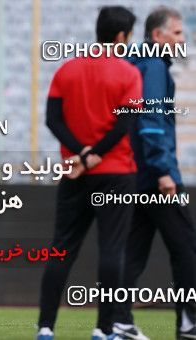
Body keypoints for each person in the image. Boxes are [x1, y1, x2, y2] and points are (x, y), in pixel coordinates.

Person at [36, 6, 142, 340]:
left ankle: (45, 327)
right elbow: (125, 124)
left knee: (61, 249)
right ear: (122, 36)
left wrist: (80, 154)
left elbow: (53, 120)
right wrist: (94, 154)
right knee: (112, 250)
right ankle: (103, 329)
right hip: (115, 171)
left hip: (74, 173)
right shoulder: (128, 73)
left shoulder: (67, 69)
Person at [113, 7, 196, 340]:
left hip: (135, 173)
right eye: (177, 33)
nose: (183, 38)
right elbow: (151, 121)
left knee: (133, 251)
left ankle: (116, 322)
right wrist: (163, 170)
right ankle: (190, 323)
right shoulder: (154, 66)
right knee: (187, 247)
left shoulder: (137, 64)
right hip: (154, 174)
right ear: (158, 35)